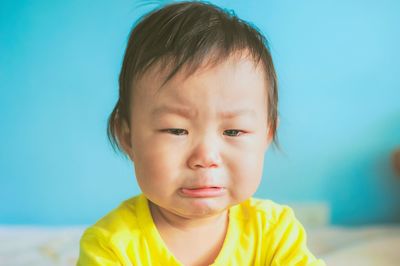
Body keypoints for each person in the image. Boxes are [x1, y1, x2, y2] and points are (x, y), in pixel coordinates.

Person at [78, 1, 325, 265]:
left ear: (266, 134)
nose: (205, 157)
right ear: (127, 137)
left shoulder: (274, 233)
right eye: (176, 130)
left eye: (233, 131)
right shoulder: (111, 246)